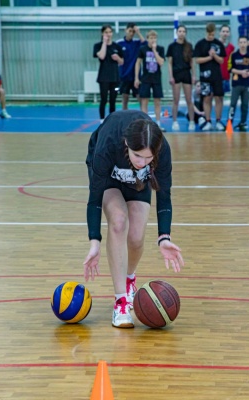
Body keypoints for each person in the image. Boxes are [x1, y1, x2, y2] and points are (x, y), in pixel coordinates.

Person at [83, 110, 184, 329]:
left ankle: (129, 279)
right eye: (138, 156)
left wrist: (164, 238)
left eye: (148, 158)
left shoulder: (161, 150)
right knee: (119, 221)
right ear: (127, 144)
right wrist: (94, 241)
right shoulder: (108, 144)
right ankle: (120, 301)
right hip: (109, 176)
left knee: (136, 237)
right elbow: (94, 199)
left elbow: (164, 195)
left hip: (136, 181)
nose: (142, 162)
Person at [194, 22, 226, 131]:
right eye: (209, 34)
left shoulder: (218, 44)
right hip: (205, 76)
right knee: (207, 98)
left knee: (219, 98)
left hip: (217, 76)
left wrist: (214, 55)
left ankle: (218, 121)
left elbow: (221, 60)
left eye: (213, 34)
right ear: (206, 32)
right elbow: (197, 60)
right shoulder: (200, 44)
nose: (211, 36)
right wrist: (209, 57)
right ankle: (207, 121)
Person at [167, 25, 196, 132]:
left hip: (186, 74)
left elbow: (192, 63)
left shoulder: (189, 46)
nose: (181, 33)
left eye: (183, 31)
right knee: (176, 100)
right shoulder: (172, 46)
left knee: (189, 100)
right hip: (176, 74)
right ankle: (174, 121)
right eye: (180, 31)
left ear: (185, 33)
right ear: (177, 32)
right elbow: (169, 63)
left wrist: (193, 75)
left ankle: (192, 121)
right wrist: (171, 76)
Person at [135, 30, 165, 130]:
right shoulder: (142, 49)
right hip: (146, 78)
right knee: (144, 101)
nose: (153, 40)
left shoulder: (160, 49)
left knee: (157, 101)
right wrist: (136, 78)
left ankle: (158, 123)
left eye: (154, 38)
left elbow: (161, 62)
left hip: (156, 79)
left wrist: (154, 51)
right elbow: (138, 63)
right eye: (151, 38)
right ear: (147, 39)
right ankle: (145, 124)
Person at [94, 25, 124, 123]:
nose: (108, 34)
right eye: (106, 32)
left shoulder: (117, 46)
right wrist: (104, 43)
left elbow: (122, 62)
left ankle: (112, 120)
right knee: (103, 99)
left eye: (110, 32)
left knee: (113, 100)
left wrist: (118, 58)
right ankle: (102, 120)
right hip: (103, 77)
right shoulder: (98, 46)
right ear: (102, 33)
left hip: (115, 78)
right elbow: (101, 56)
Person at [227, 36, 249, 131]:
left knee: (245, 105)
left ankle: (243, 123)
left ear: (247, 43)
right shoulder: (234, 55)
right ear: (238, 44)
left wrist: (248, 73)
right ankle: (229, 123)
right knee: (233, 104)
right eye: (241, 42)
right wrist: (240, 72)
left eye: (244, 42)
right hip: (236, 84)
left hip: (247, 84)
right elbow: (230, 68)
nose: (243, 44)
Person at [117, 23, 145, 110]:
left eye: (133, 32)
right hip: (124, 75)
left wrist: (138, 32)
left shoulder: (137, 43)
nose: (131, 33)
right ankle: (125, 115)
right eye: (130, 31)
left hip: (136, 76)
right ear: (125, 30)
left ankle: (142, 115)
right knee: (125, 98)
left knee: (140, 98)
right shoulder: (119, 43)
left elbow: (146, 44)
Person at [219, 24, 235, 95]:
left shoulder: (231, 47)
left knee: (221, 97)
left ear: (229, 33)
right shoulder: (215, 45)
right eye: (223, 31)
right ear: (220, 32)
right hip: (215, 75)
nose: (225, 33)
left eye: (227, 31)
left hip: (226, 76)